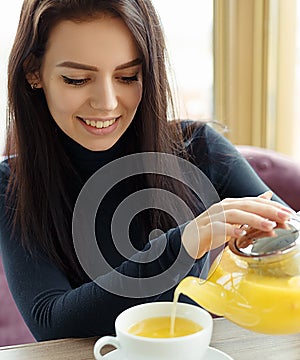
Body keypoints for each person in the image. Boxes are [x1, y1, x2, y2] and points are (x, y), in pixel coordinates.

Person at [0, 0, 292, 341]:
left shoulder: (198, 148)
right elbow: (52, 321)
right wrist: (183, 244)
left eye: (127, 76)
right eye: (77, 79)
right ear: (34, 72)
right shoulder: (13, 186)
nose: (107, 102)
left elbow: (290, 241)